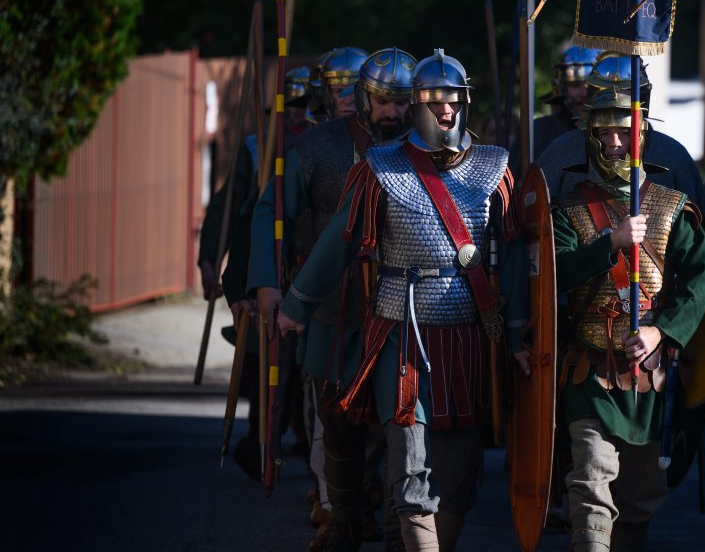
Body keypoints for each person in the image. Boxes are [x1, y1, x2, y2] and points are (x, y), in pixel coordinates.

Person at [276, 48, 530, 552]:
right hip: (401, 331)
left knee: (458, 469)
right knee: (409, 461)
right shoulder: (380, 169)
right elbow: (339, 242)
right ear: (416, 105)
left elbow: (519, 261)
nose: (446, 111)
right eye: (435, 102)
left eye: (453, 101)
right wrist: (296, 304)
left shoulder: (495, 168)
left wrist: (519, 332)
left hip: (469, 334)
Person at [249, 47, 416, 551]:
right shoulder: (318, 147)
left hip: (401, 312)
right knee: (336, 420)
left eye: (400, 101)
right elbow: (271, 213)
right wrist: (267, 281)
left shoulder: (426, 151)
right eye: (381, 100)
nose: (390, 111)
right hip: (333, 307)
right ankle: (342, 516)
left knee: (398, 427)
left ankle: (394, 523)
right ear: (364, 98)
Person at [551, 88, 705, 550]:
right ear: (591, 137)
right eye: (605, 133)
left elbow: (698, 285)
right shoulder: (570, 210)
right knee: (589, 483)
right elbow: (555, 274)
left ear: (641, 136)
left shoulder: (672, 208)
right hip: (589, 370)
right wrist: (611, 244)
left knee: (641, 497)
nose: (615, 143)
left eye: (624, 132)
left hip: (649, 374)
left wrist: (661, 330)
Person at [198, 66, 313, 481]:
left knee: (309, 372)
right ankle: (262, 444)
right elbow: (233, 213)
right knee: (266, 366)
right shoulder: (257, 150)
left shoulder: (323, 145)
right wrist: (215, 261)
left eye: (306, 105)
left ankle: (312, 451)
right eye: (291, 105)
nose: (298, 114)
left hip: (313, 271)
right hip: (271, 273)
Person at [534, 51, 705, 215]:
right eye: (609, 97)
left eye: (627, 97)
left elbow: (694, 226)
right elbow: (536, 218)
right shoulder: (563, 151)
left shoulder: (673, 156)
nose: (617, 105)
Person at [509, 46, 602, 176]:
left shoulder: (618, 134)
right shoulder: (538, 131)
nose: (584, 93)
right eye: (575, 85)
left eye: (591, 86)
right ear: (562, 88)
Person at [315, 46, 369, 120]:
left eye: (354, 91)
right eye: (339, 91)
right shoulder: (317, 131)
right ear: (327, 95)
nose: (347, 101)